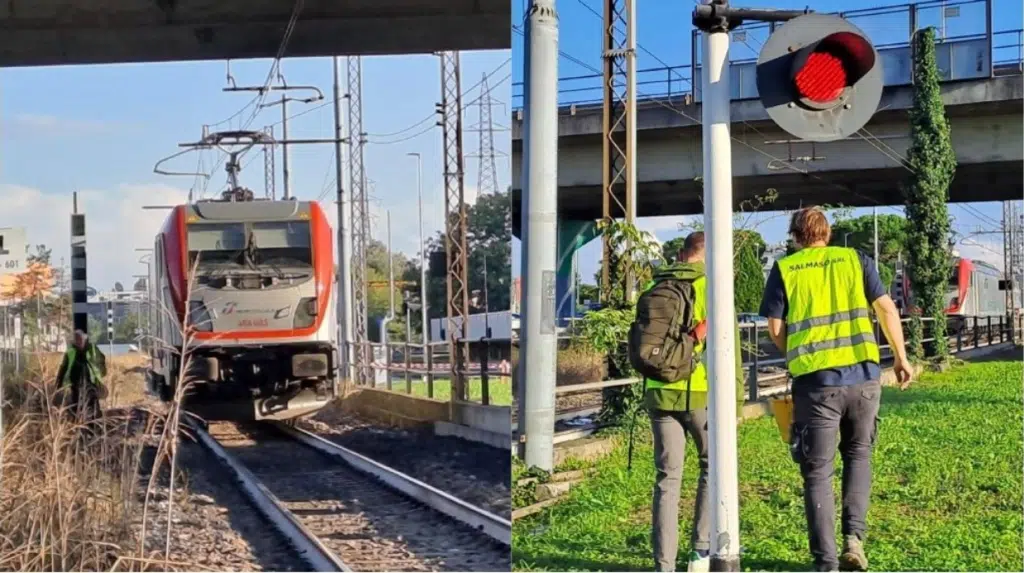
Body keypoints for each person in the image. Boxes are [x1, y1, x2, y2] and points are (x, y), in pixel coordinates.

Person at [759, 207, 912, 572]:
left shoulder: (786, 267)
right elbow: (887, 310)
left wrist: (797, 355)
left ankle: (826, 563)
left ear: (796, 237)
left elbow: (775, 328)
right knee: (858, 456)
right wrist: (901, 358)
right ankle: (854, 540)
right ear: (827, 233)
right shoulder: (856, 259)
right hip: (863, 379)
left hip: (815, 386)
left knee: (818, 472)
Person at [643, 231, 744, 572]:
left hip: (657, 390)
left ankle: (664, 565)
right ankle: (700, 553)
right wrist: (737, 402)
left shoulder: (654, 285)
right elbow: (730, 351)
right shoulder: (712, 288)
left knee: (666, 479)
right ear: (710, 255)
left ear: (683, 253)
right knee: (711, 467)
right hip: (698, 391)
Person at [55, 329, 107, 422]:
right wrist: (58, 385)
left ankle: (95, 427)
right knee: (77, 407)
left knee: (94, 407)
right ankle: (80, 426)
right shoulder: (70, 352)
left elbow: (101, 361)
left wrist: (102, 372)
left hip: (91, 384)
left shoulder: (92, 349)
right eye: (76, 339)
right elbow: (63, 368)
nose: (78, 341)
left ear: (84, 339)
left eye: (80, 339)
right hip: (76, 385)